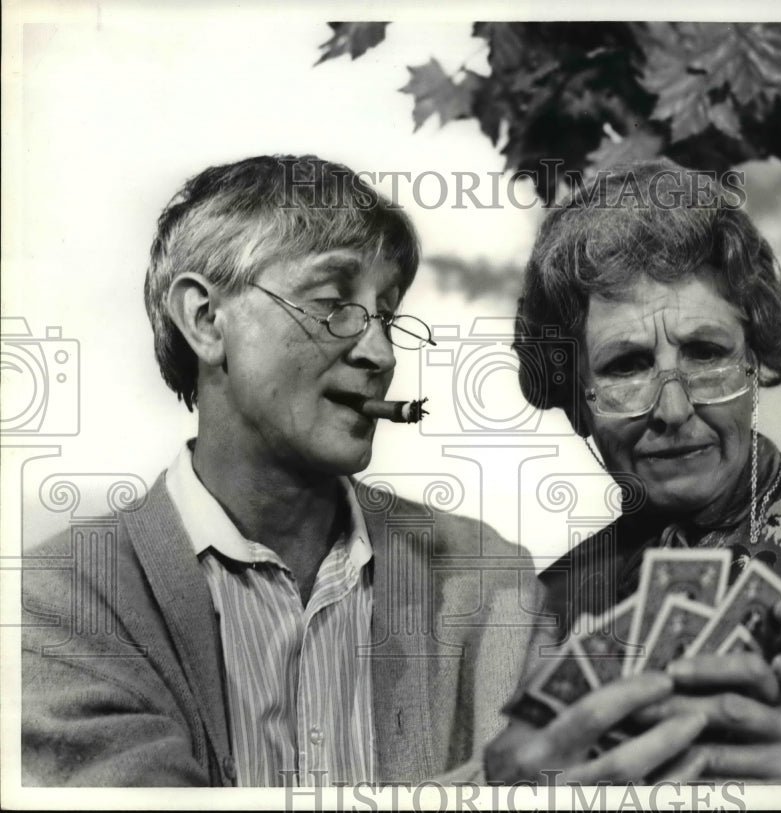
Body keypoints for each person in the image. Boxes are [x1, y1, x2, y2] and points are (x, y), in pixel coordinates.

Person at [21, 155, 540, 787]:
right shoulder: (63, 597)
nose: (379, 352)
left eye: (388, 313)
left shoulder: (487, 582)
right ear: (207, 321)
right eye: (332, 303)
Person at [487, 160, 781, 784]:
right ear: (575, 399)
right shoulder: (554, 603)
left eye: (705, 353)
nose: (673, 408)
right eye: (627, 366)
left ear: (754, 362)